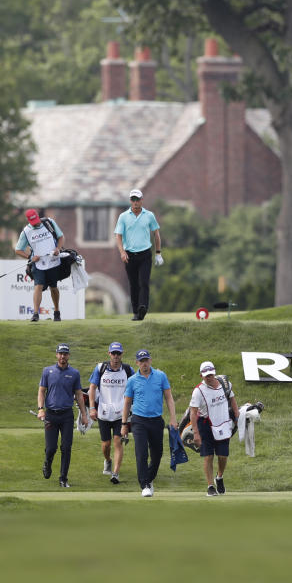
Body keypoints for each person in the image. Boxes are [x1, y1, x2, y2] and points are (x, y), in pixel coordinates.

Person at [120, 349, 177, 497]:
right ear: (137, 363)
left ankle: (150, 478)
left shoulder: (160, 376)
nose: (144, 364)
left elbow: (169, 398)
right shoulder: (132, 380)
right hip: (139, 421)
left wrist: (173, 418)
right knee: (141, 452)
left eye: (146, 360)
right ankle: (144, 484)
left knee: (157, 454)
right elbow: (126, 403)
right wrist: (124, 424)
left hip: (157, 420)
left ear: (150, 360)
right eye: (141, 361)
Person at [36, 343, 88, 488]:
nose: (63, 356)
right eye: (60, 353)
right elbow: (41, 391)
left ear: (68, 355)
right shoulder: (47, 371)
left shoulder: (74, 373)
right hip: (51, 415)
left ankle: (63, 478)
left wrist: (84, 415)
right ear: (57, 355)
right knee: (51, 448)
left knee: (66, 447)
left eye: (65, 354)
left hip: (66, 415)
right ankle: (48, 461)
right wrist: (41, 409)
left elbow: (78, 394)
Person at [188, 361, 239, 496]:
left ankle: (219, 477)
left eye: (210, 374)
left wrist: (237, 416)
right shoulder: (198, 391)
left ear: (214, 373)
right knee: (208, 456)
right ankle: (210, 486)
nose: (209, 377)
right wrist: (196, 433)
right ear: (201, 376)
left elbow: (232, 399)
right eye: (206, 375)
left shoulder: (224, 383)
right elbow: (193, 413)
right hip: (205, 425)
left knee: (223, 456)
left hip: (223, 423)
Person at [88, 341, 134, 484]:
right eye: (113, 353)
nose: (115, 356)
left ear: (122, 354)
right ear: (109, 354)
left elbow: (135, 387)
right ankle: (108, 460)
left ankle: (115, 473)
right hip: (103, 412)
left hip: (121, 414)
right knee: (106, 445)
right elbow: (92, 388)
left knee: (117, 442)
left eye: (118, 353)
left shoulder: (127, 370)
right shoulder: (100, 368)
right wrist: (92, 408)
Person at [114, 188, 163, 321]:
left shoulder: (149, 215)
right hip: (129, 255)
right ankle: (136, 312)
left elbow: (156, 234)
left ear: (142, 200)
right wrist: (122, 252)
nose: (135, 202)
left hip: (145, 254)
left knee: (144, 282)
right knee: (133, 284)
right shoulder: (123, 217)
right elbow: (118, 236)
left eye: (138, 200)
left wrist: (158, 253)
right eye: (133, 200)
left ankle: (143, 307)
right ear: (130, 201)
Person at [15, 208, 65, 322]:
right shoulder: (26, 232)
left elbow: (61, 237)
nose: (36, 223)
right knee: (38, 286)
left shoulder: (49, 223)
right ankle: (35, 314)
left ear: (38, 216)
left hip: (53, 261)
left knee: (54, 287)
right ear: (28, 220)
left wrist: (58, 248)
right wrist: (30, 257)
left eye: (37, 220)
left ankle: (57, 312)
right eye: (33, 222)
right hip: (38, 264)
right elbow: (18, 250)